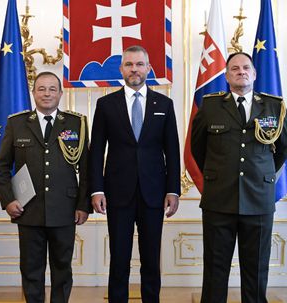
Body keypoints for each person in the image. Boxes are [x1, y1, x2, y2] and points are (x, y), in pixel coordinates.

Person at [191, 52, 287, 303]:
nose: (241, 71)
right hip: (219, 199)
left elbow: (282, 150)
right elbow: (197, 148)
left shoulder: (274, 107)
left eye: (246, 67)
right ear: (226, 76)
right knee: (215, 269)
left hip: (258, 198)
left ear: (254, 74)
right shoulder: (210, 106)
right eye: (234, 68)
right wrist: (219, 173)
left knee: (256, 270)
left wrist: (262, 175)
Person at [90, 45, 181, 303]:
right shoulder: (106, 104)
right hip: (117, 193)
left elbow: (171, 151)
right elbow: (96, 150)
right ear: (121, 69)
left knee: (151, 259)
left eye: (139, 64)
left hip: (154, 193)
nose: (134, 69)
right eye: (129, 64)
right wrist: (97, 189)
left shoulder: (164, 104)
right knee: (119, 259)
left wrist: (173, 190)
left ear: (148, 69)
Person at [0, 71, 90, 303]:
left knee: (62, 270)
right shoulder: (16, 123)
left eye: (52, 89)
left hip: (65, 209)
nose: (47, 94)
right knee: (31, 269)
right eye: (41, 89)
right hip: (28, 210)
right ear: (34, 93)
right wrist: (8, 200)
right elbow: (2, 167)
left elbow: (87, 169)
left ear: (60, 93)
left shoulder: (77, 122)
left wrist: (83, 205)